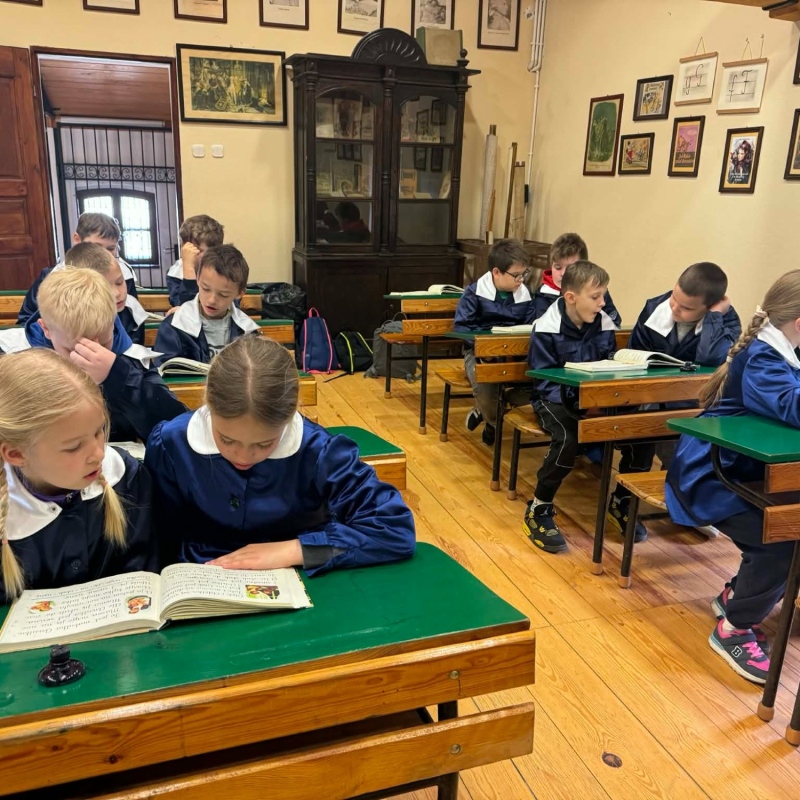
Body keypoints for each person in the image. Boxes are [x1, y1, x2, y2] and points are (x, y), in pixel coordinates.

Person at [145, 336, 416, 572]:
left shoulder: (321, 451)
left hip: (300, 576)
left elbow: (394, 530)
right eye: (227, 439)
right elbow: (159, 536)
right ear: (208, 404)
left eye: (265, 444)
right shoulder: (171, 443)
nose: (243, 456)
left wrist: (296, 550)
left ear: (290, 417)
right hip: (201, 576)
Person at [665, 271, 800, 684]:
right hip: (712, 476)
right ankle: (735, 629)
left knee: (788, 528)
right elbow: (793, 407)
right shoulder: (763, 358)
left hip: (748, 471)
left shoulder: (786, 350)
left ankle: (737, 594)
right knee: (783, 541)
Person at [0, 349, 156, 600]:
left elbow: (143, 575)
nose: (98, 454)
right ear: (16, 454)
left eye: (99, 431)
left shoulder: (127, 477)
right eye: (73, 447)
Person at [611, 263, 743, 540]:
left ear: (710, 307)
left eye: (686, 308)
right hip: (650, 396)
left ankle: (685, 503)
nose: (674, 309)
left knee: (693, 438)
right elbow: (633, 355)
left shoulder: (726, 320)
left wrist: (714, 319)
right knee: (645, 427)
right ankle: (623, 501)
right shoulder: (654, 307)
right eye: (674, 298)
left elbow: (712, 358)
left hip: (693, 401)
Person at [0, 268, 186, 443]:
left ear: (113, 321)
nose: (93, 356)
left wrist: (117, 376)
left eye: (104, 344)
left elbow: (175, 429)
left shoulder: (132, 358)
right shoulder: (14, 360)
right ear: (46, 329)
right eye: (75, 350)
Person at [524, 260, 617, 553]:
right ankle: (539, 507)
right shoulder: (546, 327)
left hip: (595, 399)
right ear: (571, 297)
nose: (603, 303)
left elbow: (611, 365)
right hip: (553, 399)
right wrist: (580, 405)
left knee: (641, 425)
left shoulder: (604, 322)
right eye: (596, 296)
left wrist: (599, 401)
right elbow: (543, 382)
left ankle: (623, 502)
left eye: (604, 295)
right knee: (568, 436)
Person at [454, 239, 536, 446]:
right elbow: (462, 328)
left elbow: (531, 326)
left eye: (524, 274)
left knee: (541, 384)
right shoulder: (474, 293)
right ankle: (492, 421)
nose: (521, 280)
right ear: (497, 272)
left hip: (515, 354)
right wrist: (485, 348)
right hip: (480, 354)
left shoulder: (525, 294)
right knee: (485, 386)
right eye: (516, 275)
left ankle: (490, 410)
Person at [17, 212, 138, 326]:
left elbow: (130, 324)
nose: (103, 254)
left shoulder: (124, 275)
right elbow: (27, 318)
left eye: (111, 248)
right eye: (96, 247)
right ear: (77, 240)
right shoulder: (51, 276)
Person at [24, 242, 149, 346]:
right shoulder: (54, 329)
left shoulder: (117, 321)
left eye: (120, 282)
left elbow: (133, 359)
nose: (116, 293)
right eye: (105, 288)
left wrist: (114, 365)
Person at [155, 245, 258, 365]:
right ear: (198, 278)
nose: (211, 300)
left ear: (240, 293)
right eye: (206, 289)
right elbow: (162, 369)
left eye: (223, 295)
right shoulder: (174, 326)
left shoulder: (247, 329)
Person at [533, 233, 621, 325]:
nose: (563, 274)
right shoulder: (543, 296)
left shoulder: (598, 291)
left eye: (570, 268)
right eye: (558, 267)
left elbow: (614, 323)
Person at [166, 214, 225, 308]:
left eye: (198, 250)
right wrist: (188, 269)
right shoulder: (175, 272)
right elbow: (185, 306)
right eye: (186, 249)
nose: (190, 254)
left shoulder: (226, 271)